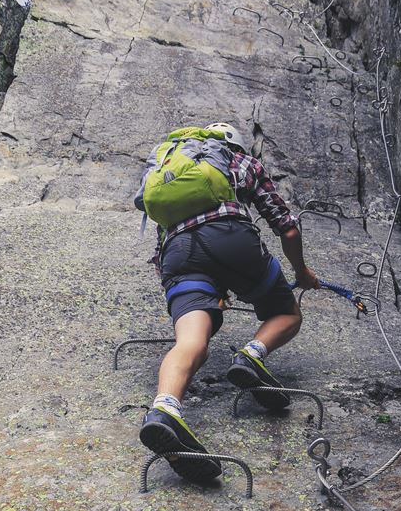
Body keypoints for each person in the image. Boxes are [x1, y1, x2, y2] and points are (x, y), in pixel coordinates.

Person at [135, 122, 319, 482]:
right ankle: (252, 354)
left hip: (178, 253)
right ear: (235, 145)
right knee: (286, 312)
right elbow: (287, 226)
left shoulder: (168, 170)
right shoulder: (241, 163)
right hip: (230, 238)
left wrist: (204, 292)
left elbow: (162, 246)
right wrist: (302, 272)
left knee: (190, 341)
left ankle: (164, 409)